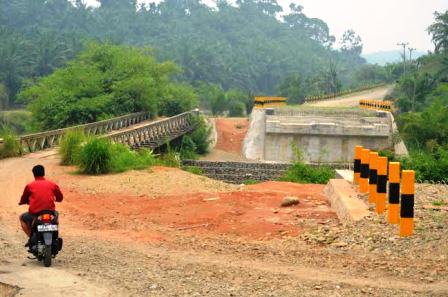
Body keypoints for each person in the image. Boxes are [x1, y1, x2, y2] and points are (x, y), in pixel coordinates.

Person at [18, 165, 63, 240]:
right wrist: (56, 199)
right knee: (56, 215)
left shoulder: (29, 186)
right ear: (44, 173)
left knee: (21, 218)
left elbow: (24, 198)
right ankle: (54, 235)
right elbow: (60, 198)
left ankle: (31, 238)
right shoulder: (53, 184)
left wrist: (22, 202)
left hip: (35, 214)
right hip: (50, 213)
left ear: (34, 174)